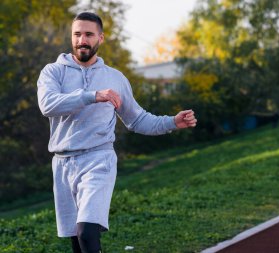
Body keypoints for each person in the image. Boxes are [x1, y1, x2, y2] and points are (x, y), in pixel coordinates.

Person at [37, 12, 197, 253]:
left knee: (87, 232)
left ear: (100, 38)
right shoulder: (53, 72)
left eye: (89, 34)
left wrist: (172, 122)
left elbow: (137, 120)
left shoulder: (115, 78)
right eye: (77, 34)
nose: (82, 40)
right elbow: (48, 105)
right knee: (76, 240)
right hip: (62, 164)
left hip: (98, 159)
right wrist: (92, 96)